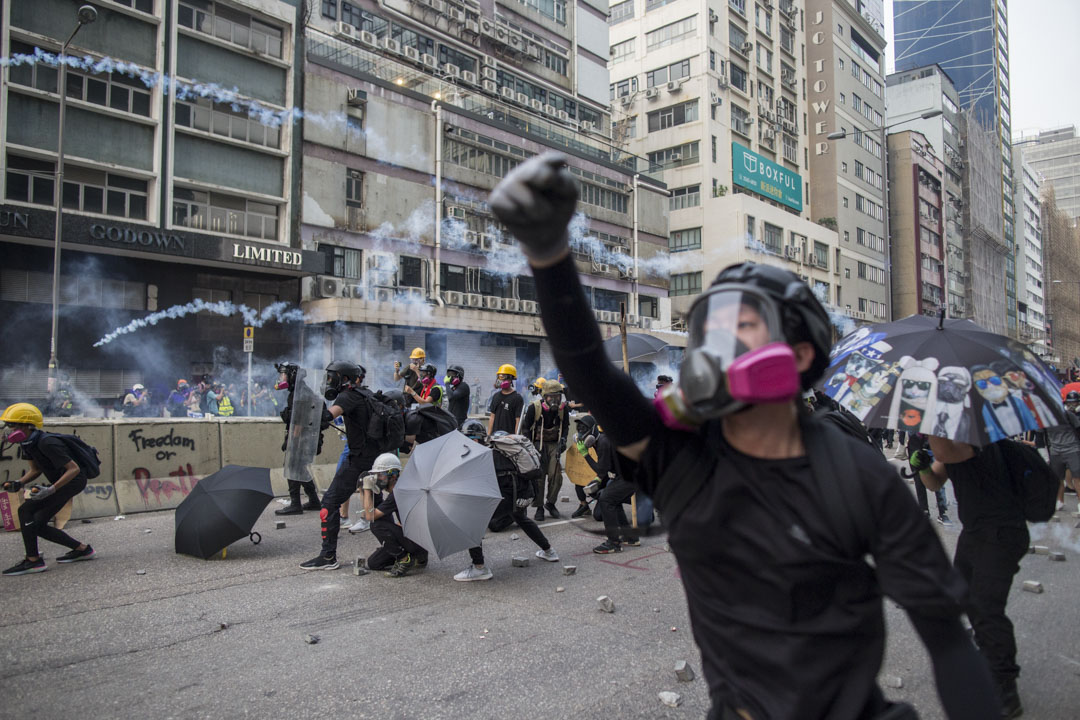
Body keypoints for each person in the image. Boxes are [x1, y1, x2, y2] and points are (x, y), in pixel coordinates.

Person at [489, 153, 999, 720]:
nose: (717, 344)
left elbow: (949, 642)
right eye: (708, 330)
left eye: (743, 326)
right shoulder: (678, 458)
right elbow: (590, 372)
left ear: (798, 354)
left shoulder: (860, 477)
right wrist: (548, 253)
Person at [911, 438, 1030, 719]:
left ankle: (1005, 687)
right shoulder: (954, 445)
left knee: (987, 609)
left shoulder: (980, 439)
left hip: (1002, 533)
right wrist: (924, 467)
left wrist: (923, 429)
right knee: (960, 593)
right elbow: (934, 483)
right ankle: (984, 641)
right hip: (976, 532)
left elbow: (945, 450)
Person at [300, 361, 381, 571]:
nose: (329, 381)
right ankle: (399, 550)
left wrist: (308, 410)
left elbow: (329, 415)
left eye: (331, 377)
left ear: (343, 378)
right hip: (376, 458)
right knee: (380, 509)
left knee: (329, 502)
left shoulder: (347, 396)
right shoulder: (365, 393)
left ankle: (328, 557)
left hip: (358, 459)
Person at [454, 420, 559, 582]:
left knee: (471, 523)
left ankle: (479, 567)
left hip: (507, 495)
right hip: (519, 494)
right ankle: (549, 551)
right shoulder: (497, 450)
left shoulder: (484, 455)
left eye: (466, 439)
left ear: (474, 440)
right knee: (520, 518)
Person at [1, 404, 94, 576]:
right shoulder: (27, 443)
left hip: (73, 481)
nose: (8, 430)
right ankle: (82, 549)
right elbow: (36, 469)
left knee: (25, 510)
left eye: (12, 425)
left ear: (25, 426)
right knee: (36, 525)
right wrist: (19, 483)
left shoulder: (47, 442)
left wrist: (51, 490)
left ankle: (33, 560)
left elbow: (74, 469)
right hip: (61, 482)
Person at [365, 453, 429, 577]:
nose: (378, 479)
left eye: (381, 475)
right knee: (374, 563)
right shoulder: (403, 487)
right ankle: (416, 557)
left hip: (417, 542)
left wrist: (367, 490)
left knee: (376, 525)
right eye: (376, 475)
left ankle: (404, 559)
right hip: (418, 542)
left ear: (393, 475)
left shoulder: (398, 493)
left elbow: (370, 516)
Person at [274, 362, 323, 515]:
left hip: (302, 438)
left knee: (291, 467)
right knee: (300, 468)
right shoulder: (300, 390)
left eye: (284, 374)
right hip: (307, 437)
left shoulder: (299, 394)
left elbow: (299, 421)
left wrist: (292, 442)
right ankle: (314, 500)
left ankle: (295, 503)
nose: (282, 377)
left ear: (292, 376)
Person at [520, 380, 571, 521]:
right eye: (551, 397)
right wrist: (529, 447)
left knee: (556, 476)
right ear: (544, 396)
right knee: (539, 477)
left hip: (554, 444)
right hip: (538, 445)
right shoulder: (534, 408)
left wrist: (563, 440)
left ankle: (550, 503)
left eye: (557, 397)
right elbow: (526, 428)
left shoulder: (563, 409)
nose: (554, 400)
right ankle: (539, 507)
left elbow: (565, 426)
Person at [906, 433, 951, 524]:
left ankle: (942, 511)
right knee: (919, 480)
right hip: (915, 444)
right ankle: (924, 510)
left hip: (934, 441)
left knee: (939, 483)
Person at [1046, 390, 1080, 510]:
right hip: (1055, 450)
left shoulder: (1068, 415)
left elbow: (1078, 429)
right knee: (1057, 478)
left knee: (1077, 477)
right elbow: (1040, 436)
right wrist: (1043, 453)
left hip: (1072, 449)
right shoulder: (1044, 417)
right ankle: (1059, 501)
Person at [565, 414, 600, 519]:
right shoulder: (581, 443)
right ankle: (583, 504)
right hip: (592, 476)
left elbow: (601, 470)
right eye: (579, 428)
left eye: (584, 428)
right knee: (578, 476)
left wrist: (586, 455)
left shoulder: (602, 443)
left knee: (599, 515)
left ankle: (605, 501)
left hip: (604, 480)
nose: (580, 431)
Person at [487, 364, 523, 435]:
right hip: (495, 437)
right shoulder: (496, 396)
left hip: (509, 438)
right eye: (499, 377)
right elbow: (492, 417)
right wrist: (488, 435)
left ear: (510, 379)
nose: (501, 380)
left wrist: (516, 438)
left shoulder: (517, 398)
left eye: (503, 377)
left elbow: (518, 421)